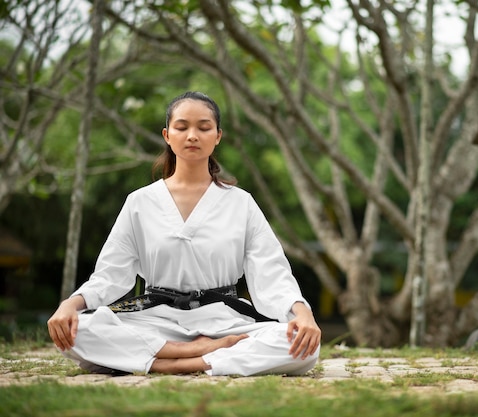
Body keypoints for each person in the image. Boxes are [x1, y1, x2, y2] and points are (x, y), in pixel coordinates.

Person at [47, 91, 321, 376]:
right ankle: (189, 354)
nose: (192, 135)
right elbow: (110, 274)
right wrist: (71, 304)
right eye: (182, 127)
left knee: (304, 348)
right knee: (76, 330)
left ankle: (169, 363)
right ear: (167, 135)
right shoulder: (140, 202)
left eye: (204, 128)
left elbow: (271, 273)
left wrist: (303, 315)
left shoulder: (241, 203)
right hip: (156, 321)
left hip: (224, 321)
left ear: (217, 136)